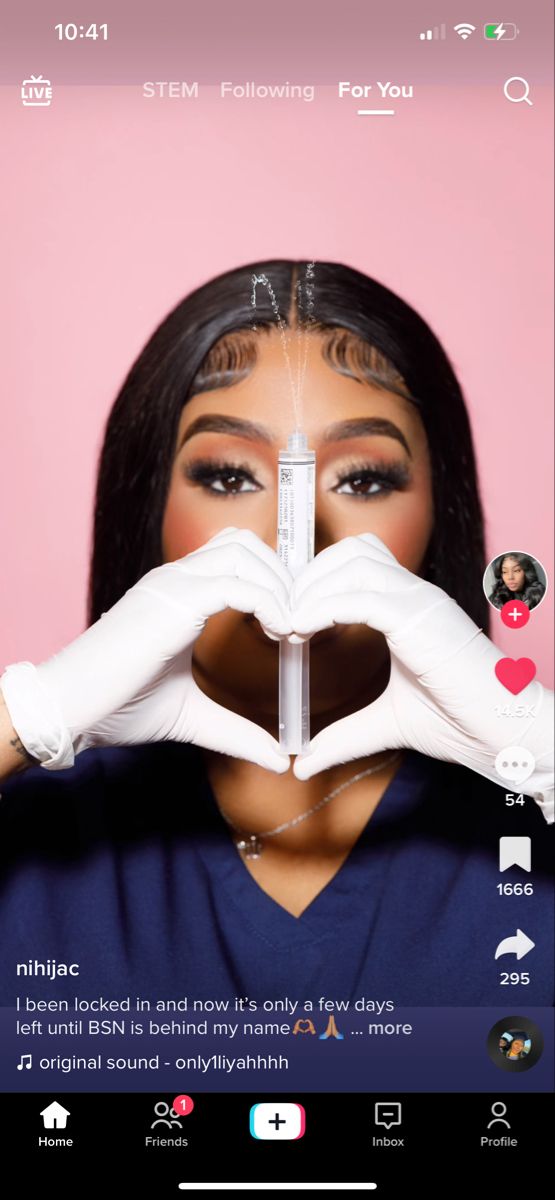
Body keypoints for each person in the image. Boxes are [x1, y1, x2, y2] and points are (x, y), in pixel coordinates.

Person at [0, 260, 553, 1007]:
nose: (296, 542)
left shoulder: (525, 836)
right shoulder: (37, 827)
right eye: (228, 476)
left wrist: (542, 746)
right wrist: (31, 715)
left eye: (362, 479)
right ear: (149, 510)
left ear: (438, 514)